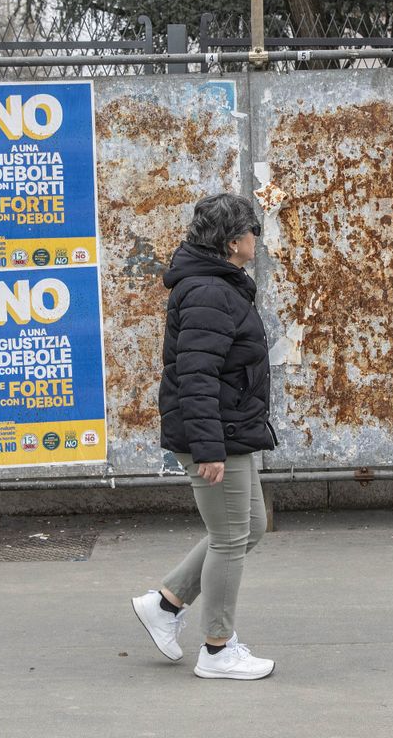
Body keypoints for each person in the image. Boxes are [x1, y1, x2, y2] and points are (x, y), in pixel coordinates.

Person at [132, 193, 277, 680]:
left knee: (247, 527)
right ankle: (217, 649)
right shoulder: (210, 292)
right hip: (216, 434)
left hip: (228, 429)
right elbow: (195, 376)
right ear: (233, 240)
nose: (257, 238)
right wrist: (208, 448)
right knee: (231, 538)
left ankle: (166, 603)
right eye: (252, 230)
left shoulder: (218, 285)